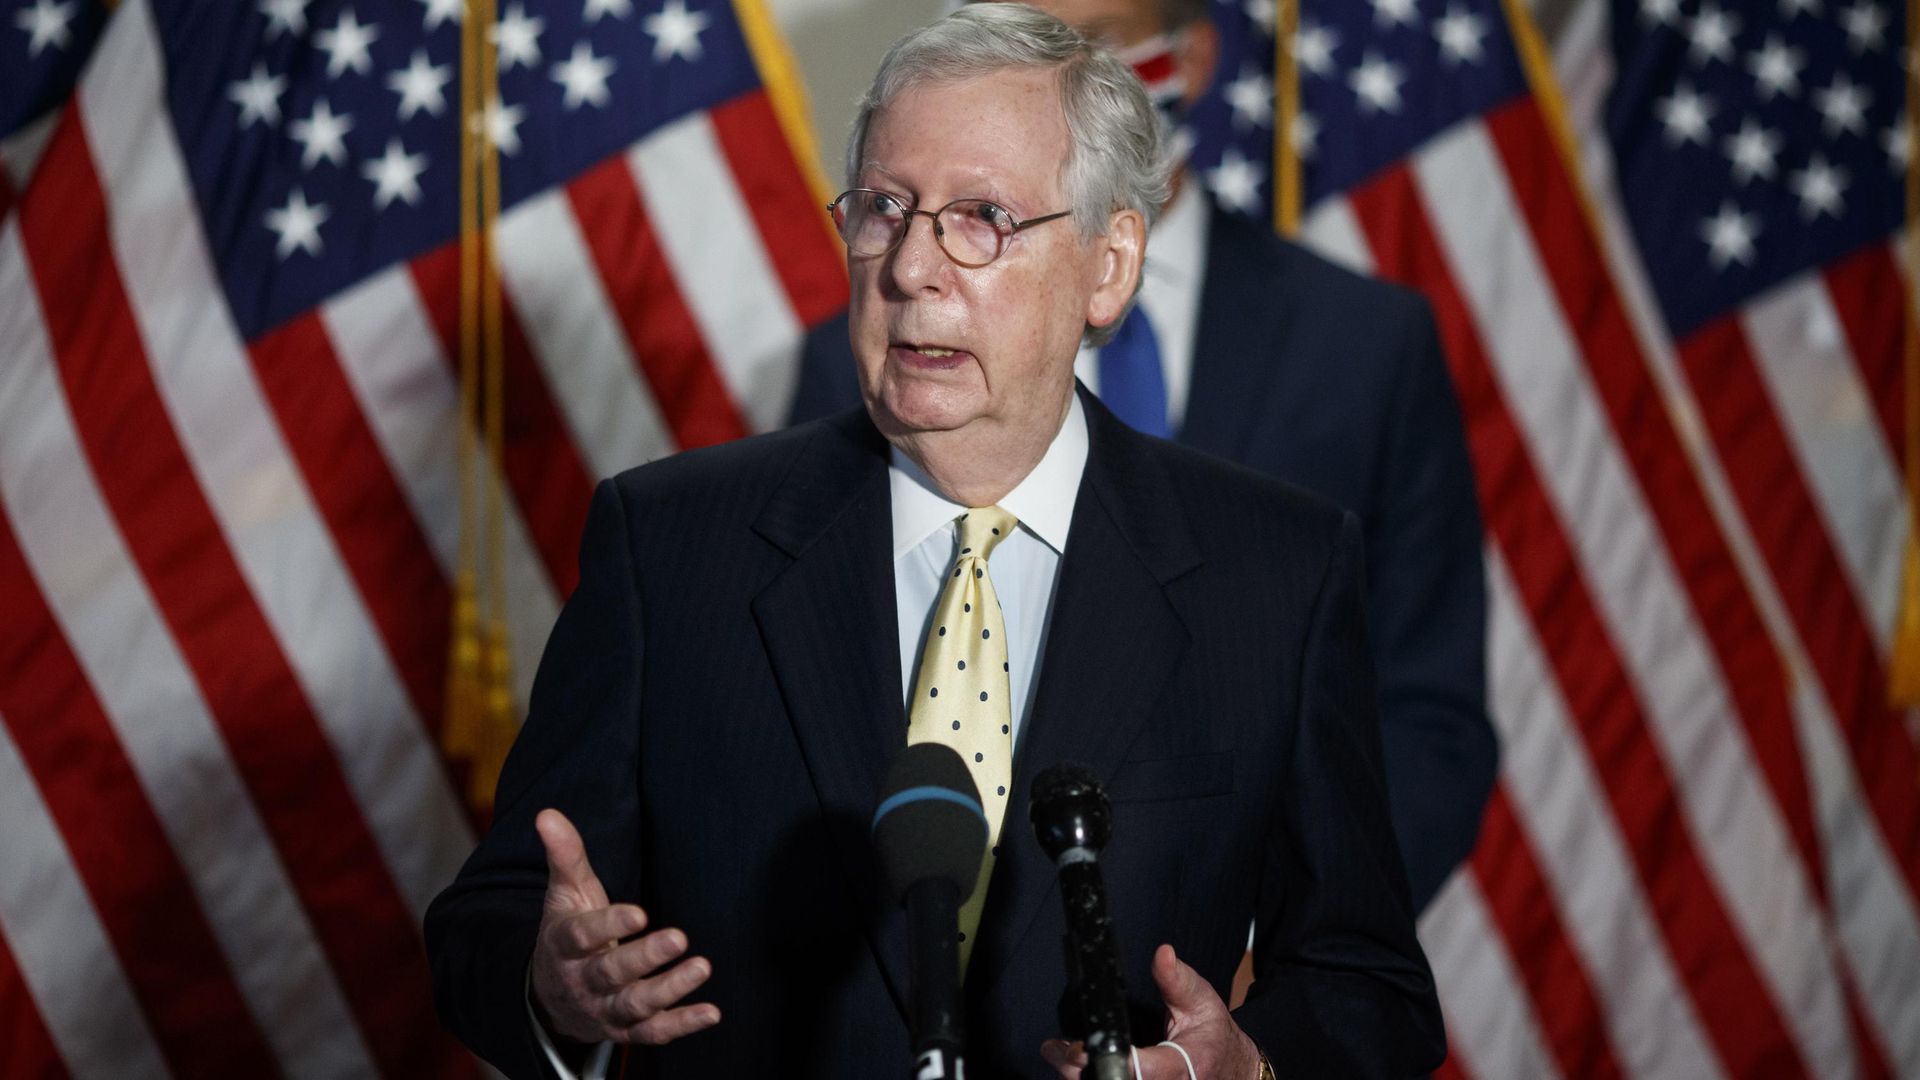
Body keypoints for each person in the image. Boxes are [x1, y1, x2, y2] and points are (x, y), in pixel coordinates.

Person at [426, 6, 1445, 1077]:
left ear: (1108, 267)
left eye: (981, 218)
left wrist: (1248, 1067)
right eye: (884, 210)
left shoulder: (1274, 575)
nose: (912, 267)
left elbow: (1366, 987)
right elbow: (490, 922)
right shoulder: (670, 546)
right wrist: (556, 986)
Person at [790, 0, 1496, 914]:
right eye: (1024, 40)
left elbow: (1424, 712)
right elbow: (807, 679)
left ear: (1191, 56)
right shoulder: (869, 354)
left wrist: (1274, 959)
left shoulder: (1366, 344)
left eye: (1093, 42)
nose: (1057, 77)